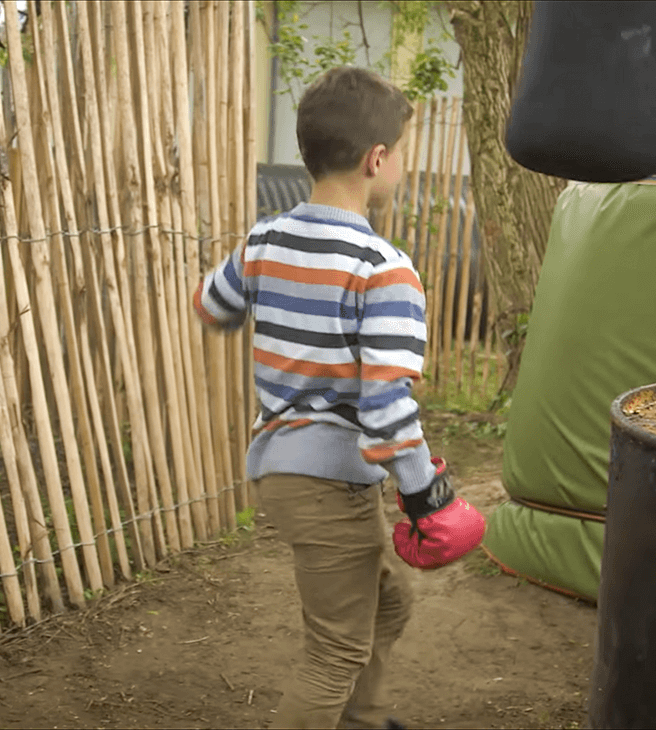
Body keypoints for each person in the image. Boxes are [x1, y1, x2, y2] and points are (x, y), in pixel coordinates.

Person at [193, 66, 486, 730]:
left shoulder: (265, 240)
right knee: (334, 654)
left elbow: (211, 305)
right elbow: (384, 413)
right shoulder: (384, 270)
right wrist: (425, 494)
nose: (402, 167)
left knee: (388, 604)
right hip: (328, 482)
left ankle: (365, 721)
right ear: (376, 160)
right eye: (401, 155)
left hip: (281, 469)